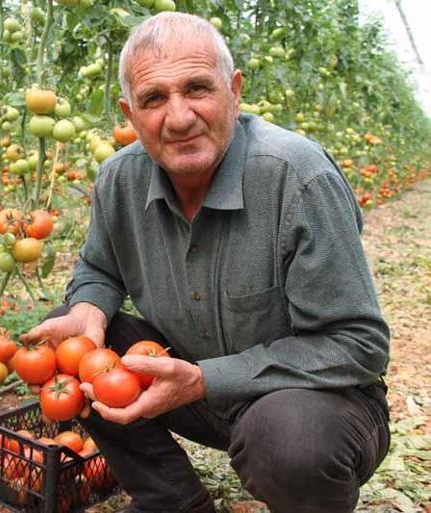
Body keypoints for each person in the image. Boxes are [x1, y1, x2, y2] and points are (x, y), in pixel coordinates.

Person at [21, 12, 391, 513]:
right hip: (190, 386)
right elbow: (99, 270)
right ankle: (173, 501)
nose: (178, 118)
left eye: (197, 89)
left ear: (234, 91)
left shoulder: (296, 178)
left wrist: (205, 379)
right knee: (66, 338)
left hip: (310, 398)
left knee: (289, 443)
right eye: (154, 99)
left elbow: (358, 345)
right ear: (130, 115)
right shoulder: (118, 180)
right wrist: (90, 307)